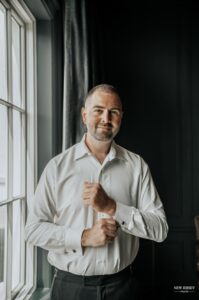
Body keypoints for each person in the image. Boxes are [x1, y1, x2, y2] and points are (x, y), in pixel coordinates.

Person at [25, 84, 168, 300]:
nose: (105, 118)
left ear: (121, 117)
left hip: (123, 287)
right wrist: (83, 237)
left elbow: (160, 229)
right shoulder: (57, 167)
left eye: (114, 112)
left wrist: (113, 207)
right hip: (70, 288)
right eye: (98, 110)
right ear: (84, 115)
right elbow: (33, 230)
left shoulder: (137, 166)